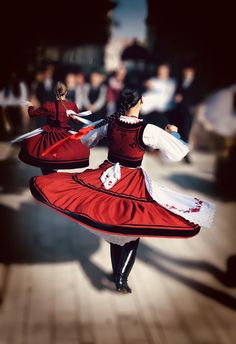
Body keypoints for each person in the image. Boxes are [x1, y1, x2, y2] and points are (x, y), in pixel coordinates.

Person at [29, 89, 214, 293]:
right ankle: (120, 279)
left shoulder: (111, 123)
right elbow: (177, 153)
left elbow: (87, 140)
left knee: (116, 227)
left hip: (106, 174)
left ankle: (118, 277)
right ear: (141, 102)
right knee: (130, 229)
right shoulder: (148, 129)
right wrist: (173, 133)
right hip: (131, 180)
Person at [14, 82, 90, 175]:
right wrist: (73, 116)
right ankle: (51, 176)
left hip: (48, 136)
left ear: (55, 92)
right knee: (56, 161)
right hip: (64, 136)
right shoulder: (71, 105)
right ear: (66, 92)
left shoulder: (48, 105)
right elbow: (76, 121)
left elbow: (32, 114)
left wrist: (30, 106)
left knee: (43, 158)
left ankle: (48, 176)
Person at [173, 66, 203, 163]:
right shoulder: (180, 81)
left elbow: (198, 97)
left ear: (192, 71)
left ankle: (185, 154)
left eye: (189, 70)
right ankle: (178, 153)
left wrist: (185, 99)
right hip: (179, 111)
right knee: (179, 132)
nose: (186, 72)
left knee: (186, 133)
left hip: (189, 112)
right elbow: (177, 93)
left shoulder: (197, 83)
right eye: (185, 70)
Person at [142, 64, 176, 128]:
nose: (161, 72)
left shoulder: (171, 82)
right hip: (150, 111)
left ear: (167, 71)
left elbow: (167, 97)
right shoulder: (153, 80)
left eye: (163, 70)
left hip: (164, 111)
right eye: (160, 70)